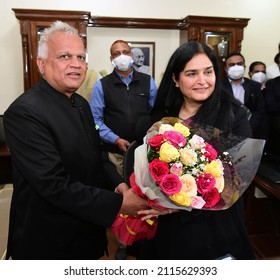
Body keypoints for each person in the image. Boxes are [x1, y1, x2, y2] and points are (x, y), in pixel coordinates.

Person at [3, 21, 149, 260]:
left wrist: (118, 184)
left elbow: (96, 155)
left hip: (88, 233)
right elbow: (53, 184)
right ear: (41, 64)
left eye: (81, 57)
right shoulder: (24, 113)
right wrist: (118, 203)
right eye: (64, 56)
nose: (76, 64)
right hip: (48, 242)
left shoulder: (80, 103)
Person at [134, 41, 256, 260]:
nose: (202, 81)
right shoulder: (160, 116)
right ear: (175, 79)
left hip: (215, 227)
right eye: (191, 73)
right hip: (168, 229)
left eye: (208, 72)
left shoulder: (233, 115)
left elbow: (237, 178)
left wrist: (182, 204)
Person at [89, 39, 157, 259]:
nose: (122, 56)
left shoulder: (148, 82)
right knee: (121, 199)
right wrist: (115, 138)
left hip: (144, 153)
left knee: (145, 196)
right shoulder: (102, 85)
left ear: (131, 54)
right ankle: (121, 243)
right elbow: (95, 120)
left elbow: (156, 115)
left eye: (125, 51)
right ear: (111, 59)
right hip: (115, 153)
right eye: (116, 53)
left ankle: (142, 240)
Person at [221, 52, 265, 138]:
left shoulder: (255, 86)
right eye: (232, 64)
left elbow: (259, 110)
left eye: (239, 64)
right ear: (226, 69)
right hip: (225, 133)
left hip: (250, 132)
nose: (236, 67)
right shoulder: (218, 86)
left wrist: (248, 128)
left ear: (244, 67)